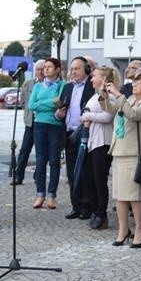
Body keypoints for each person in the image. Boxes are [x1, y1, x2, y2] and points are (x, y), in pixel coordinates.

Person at [103, 73, 141, 248]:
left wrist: (118, 94)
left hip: (135, 153)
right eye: (134, 82)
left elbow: (132, 114)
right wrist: (103, 95)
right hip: (120, 150)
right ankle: (123, 229)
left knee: (135, 196)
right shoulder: (130, 99)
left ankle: (140, 230)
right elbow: (111, 110)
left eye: (139, 83)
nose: (134, 85)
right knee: (120, 195)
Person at [57, 56, 95, 220]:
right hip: (69, 134)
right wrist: (58, 114)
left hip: (86, 134)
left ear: (86, 69)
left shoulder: (91, 86)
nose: (74, 72)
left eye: (77, 68)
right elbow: (61, 109)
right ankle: (76, 205)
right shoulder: (67, 88)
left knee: (85, 171)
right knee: (72, 172)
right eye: (72, 69)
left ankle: (87, 206)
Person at [79, 66, 118, 230]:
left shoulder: (109, 95)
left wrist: (88, 116)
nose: (91, 79)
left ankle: (102, 213)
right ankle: (96, 210)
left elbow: (108, 116)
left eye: (94, 76)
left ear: (103, 79)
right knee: (91, 179)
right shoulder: (95, 95)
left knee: (99, 179)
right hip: (92, 141)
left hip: (103, 141)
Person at [28, 58, 66, 210]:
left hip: (55, 126)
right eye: (45, 67)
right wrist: (50, 104)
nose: (46, 69)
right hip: (39, 125)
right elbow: (32, 105)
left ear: (57, 69)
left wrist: (42, 105)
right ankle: (40, 194)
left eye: (50, 67)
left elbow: (61, 102)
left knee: (54, 160)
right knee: (40, 160)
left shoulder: (63, 85)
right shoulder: (37, 86)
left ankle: (52, 195)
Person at [12, 59, 45, 185]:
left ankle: (38, 176)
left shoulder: (49, 85)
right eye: (38, 69)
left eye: (43, 69)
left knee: (41, 152)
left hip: (43, 122)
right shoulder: (28, 83)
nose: (40, 72)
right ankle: (18, 176)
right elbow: (23, 102)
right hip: (30, 123)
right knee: (24, 150)